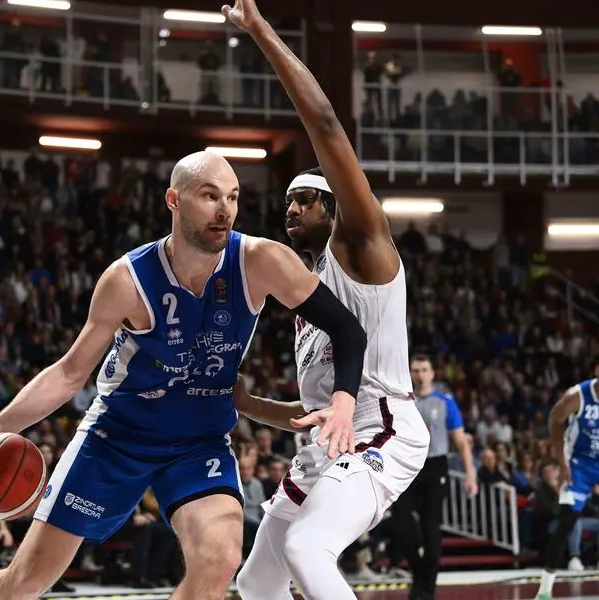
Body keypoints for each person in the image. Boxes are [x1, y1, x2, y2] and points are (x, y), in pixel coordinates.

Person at [0, 149, 368, 600]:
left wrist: (344, 400)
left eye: (232, 197)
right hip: (117, 436)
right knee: (27, 580)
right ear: (174, 199)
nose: (224, 209)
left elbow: (348, 329)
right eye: (210, 196)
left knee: (220, 559)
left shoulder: (260, 260)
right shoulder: (126, 279)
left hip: (199, 443)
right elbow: (69, 373)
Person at [223, 1, 430, 598]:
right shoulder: (308, 296)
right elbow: (308, 415)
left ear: (336, 209)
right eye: (286, 200)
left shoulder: (364, 248)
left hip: (384, 429)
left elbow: (326, 125)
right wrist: (247, 403)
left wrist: (261, 31)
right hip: (327, 445)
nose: (291, 208)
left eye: (306, 199)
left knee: (306, 548)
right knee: (257, 578)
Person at [392, 355, 478, 600]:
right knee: (401, 522)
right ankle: (420, 575)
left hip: (435, 465)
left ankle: (426, 589)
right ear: (410, 373)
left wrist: (471, 475)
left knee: (431, 528)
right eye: (415, 370)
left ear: (432, 373)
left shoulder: (444, 401)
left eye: (424, 370)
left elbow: (461, 441)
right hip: (407, 465)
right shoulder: (401, 400)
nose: (420, 375)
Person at [535, 367, 599, 600]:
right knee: (566, 524)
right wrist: (562, 462)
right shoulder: (577, 396)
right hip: (578, 467)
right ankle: (545, 588)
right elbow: (555, 420)